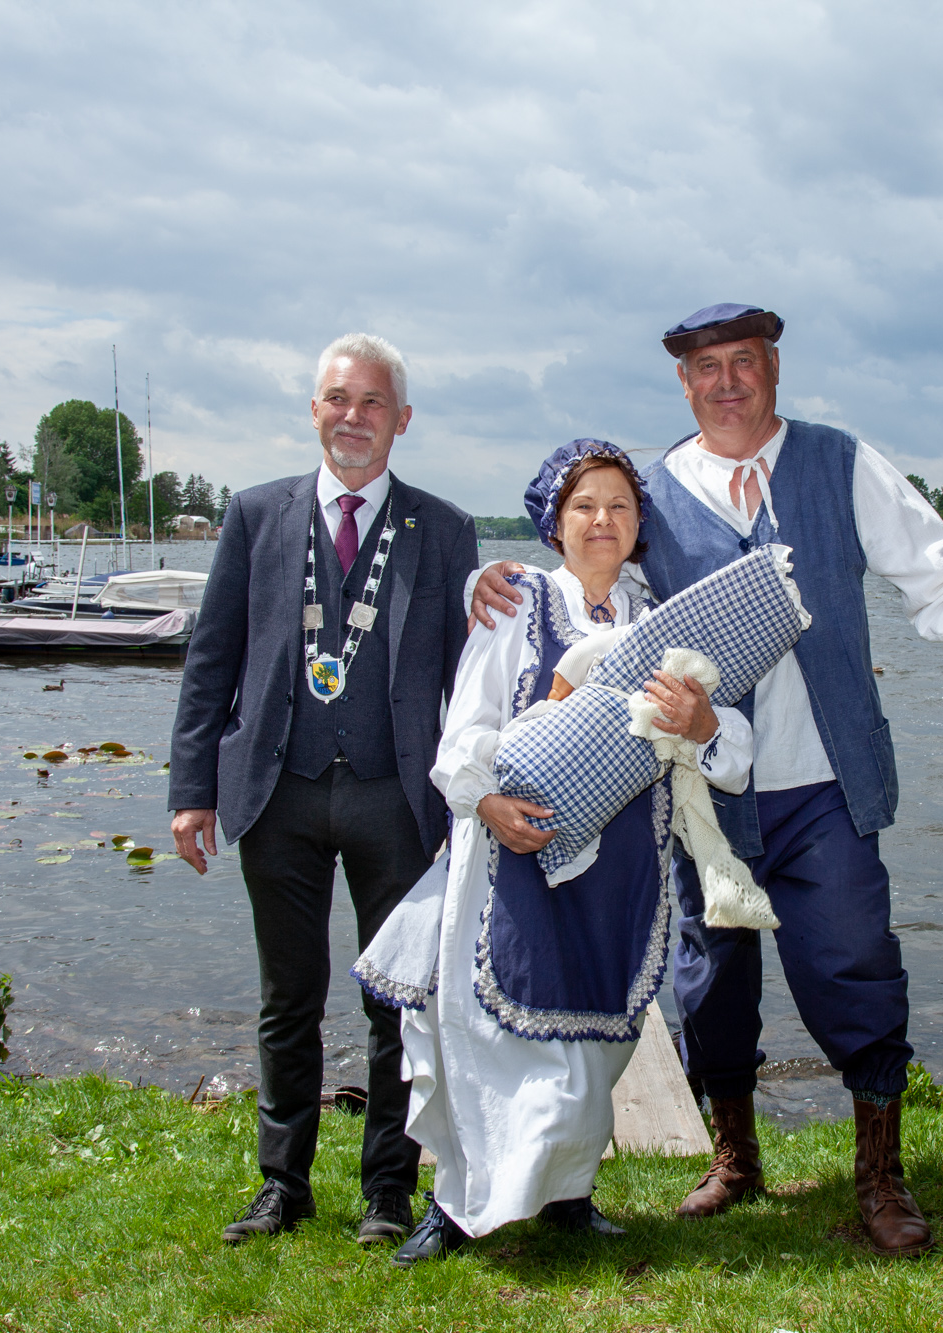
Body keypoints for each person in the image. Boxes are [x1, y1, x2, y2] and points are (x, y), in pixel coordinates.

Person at [471, 303, 943, 1258]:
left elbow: (935, 575)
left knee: (854, 967)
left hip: (825, 785)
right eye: (707, 367)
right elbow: (589, 577)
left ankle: (880, 1174)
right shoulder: (653, 493)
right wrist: (485, 584)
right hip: (703, 794)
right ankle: (737, 1157)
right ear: (685, 382)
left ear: (773, 368)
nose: (727, 382)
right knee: (711, 988)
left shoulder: (841, 462)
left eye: (744, 362)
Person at [365, 440, 754, 1265]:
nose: (602, 521)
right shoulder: (518, 605)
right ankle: (457, 1203)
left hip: (623, 866)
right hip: (510, 850)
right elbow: (465, 729)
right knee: (485, 1031)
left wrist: (703, 723)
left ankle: (569, 1192)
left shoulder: (664, 624)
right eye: (584, 506)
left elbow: (732, 750)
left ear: (640, 522)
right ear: (555, 521)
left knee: (597, 1043)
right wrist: (488, 801)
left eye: (618, 506)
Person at [170, 333, 479, 1248]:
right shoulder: (256, 515)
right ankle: (282, 1183)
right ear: (314, 410)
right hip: (278, 793)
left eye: (373, 402)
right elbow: (210, 660)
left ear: (402, 420)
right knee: (288, 997)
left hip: (397, 799)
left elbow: (470, 678)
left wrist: (477, 791)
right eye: (338, 399)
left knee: (396, 1001)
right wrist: (194, 790)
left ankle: (387, 1188)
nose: (354, 417)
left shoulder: (446, 527)